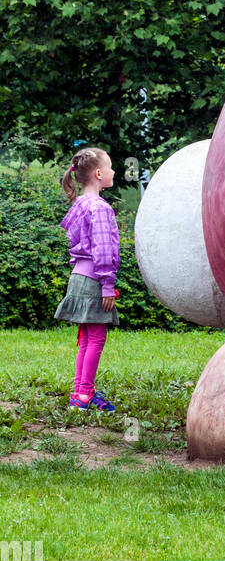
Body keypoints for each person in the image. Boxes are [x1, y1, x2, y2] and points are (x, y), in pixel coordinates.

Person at [55, 146, 120, 411]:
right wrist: (107, 284)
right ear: (98, 173)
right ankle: (84, 396)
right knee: (96, 338)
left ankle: (80, 393)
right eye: (110, 166)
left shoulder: (81, 203)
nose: (114, 171)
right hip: (94, 279)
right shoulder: (100, 208)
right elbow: (103, 250)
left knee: (86, 337)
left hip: (78, 277)